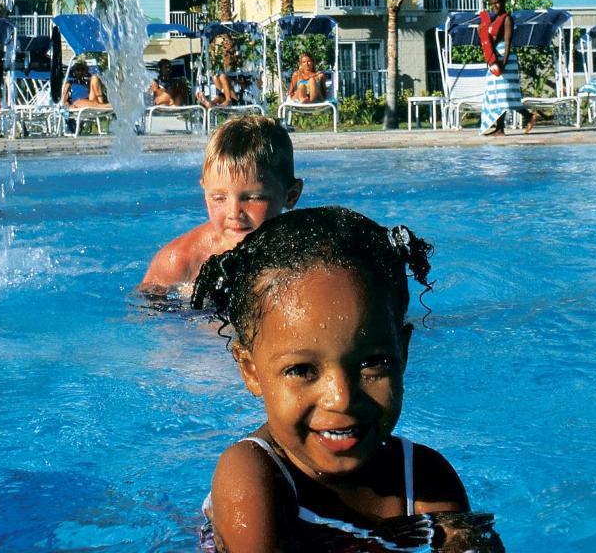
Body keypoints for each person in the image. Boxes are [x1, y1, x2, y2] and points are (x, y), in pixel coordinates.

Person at [191, 207, 478, 553]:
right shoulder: (250, 475)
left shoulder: (428, 480)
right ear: (251, 371)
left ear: (402, 351)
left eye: (371, 362)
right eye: (302, 370)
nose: (341, 398)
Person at [138, 115, 303, 295]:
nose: (234, 213)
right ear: (205, 190)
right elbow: (144, 315)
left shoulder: (305, 255)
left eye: (253, 198)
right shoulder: (179, 262)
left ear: (291, 195)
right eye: (218, 198)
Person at [478, 0, 537, 136]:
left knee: (506, 95)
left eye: (497, 2)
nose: (494, 6)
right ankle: (502, 127)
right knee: (496, 94)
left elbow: (507, 42)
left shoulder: (507, 19)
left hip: (506, 59)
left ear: (503, 2)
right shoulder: (492, 20)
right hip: (495, 59)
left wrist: (503, 63)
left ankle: (522, 119)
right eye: (492, 3)